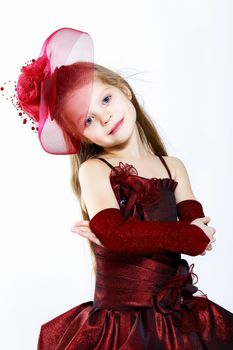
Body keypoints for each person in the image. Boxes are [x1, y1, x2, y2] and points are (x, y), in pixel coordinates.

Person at [5, 27, 233, 349]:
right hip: (121, 323)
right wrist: (173, 236)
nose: (105, 117)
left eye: (106, 99)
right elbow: (116, 232)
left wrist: (196, 234)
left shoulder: (173, 166)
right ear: (81, 137)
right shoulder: (95, 170)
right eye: (88, 120)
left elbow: (196, 226)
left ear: (123, 89)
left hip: (175, 315)